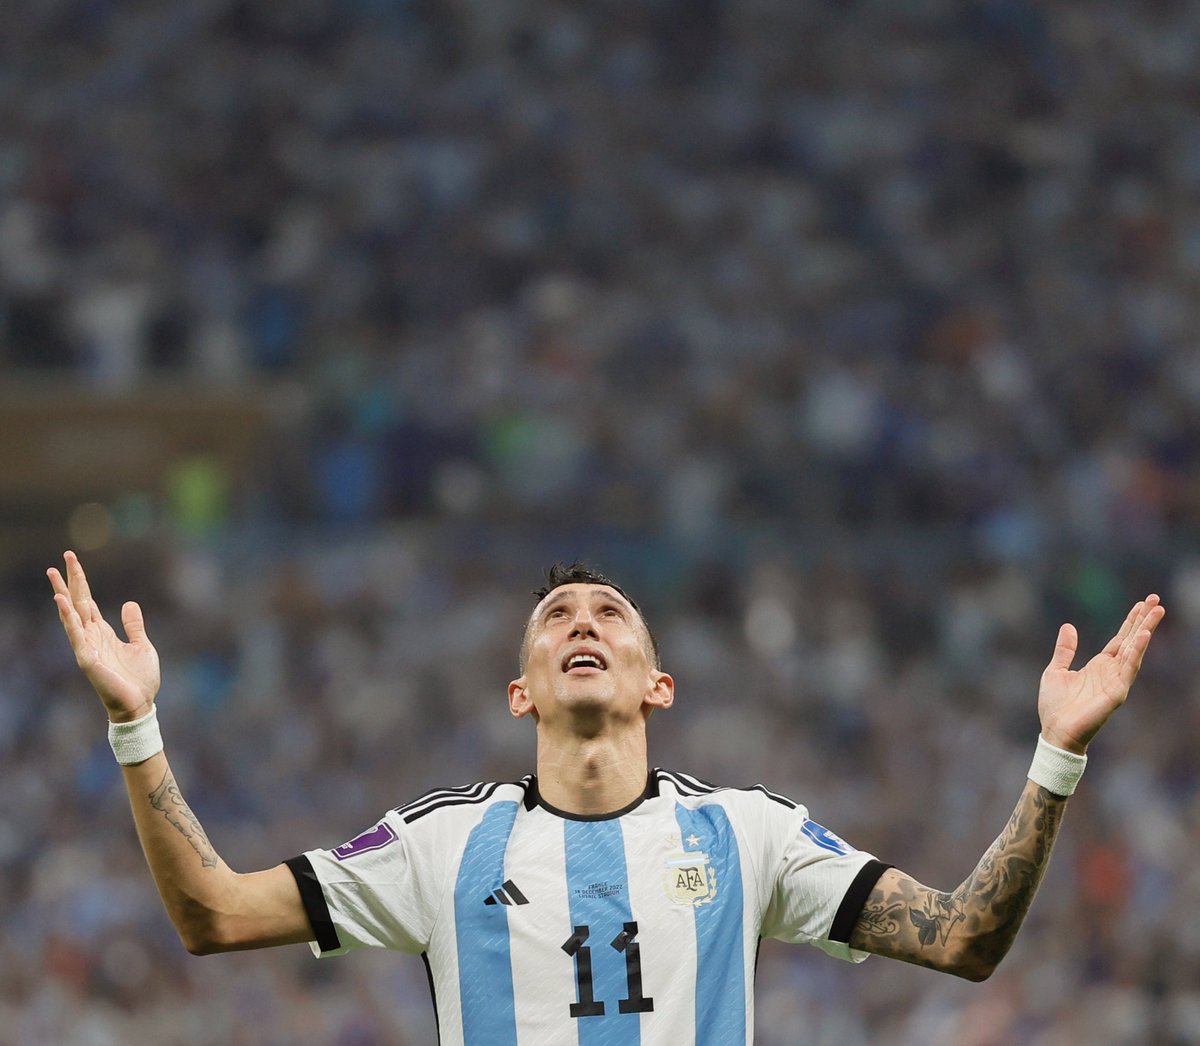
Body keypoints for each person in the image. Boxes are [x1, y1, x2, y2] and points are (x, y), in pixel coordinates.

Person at [48, 551, 1164, 1044]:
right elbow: (214, 913)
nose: (582, 621)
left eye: (611, 614)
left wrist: (1055, 756)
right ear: (522, 692)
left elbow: (964, 937)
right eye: (557, 617)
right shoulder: (442, 843)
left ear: (657, 684)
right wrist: (136, 724)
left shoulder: (746, 834)